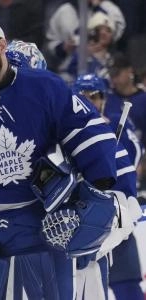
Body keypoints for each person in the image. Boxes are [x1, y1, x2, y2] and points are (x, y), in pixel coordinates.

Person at [0, 17, 119, 299]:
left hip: (33, 220)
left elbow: (87, 130)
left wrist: (98, 188)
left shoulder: (45, 87)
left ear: (2, 45)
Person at [73, 73, 144, 300]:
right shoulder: (67, 131)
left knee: (128, 288)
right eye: (82, 95)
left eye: (93, 95)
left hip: (117, 217)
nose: (88, 100)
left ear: (103, 99)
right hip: (84, 222)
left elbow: (132, 159)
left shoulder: (116, 123)